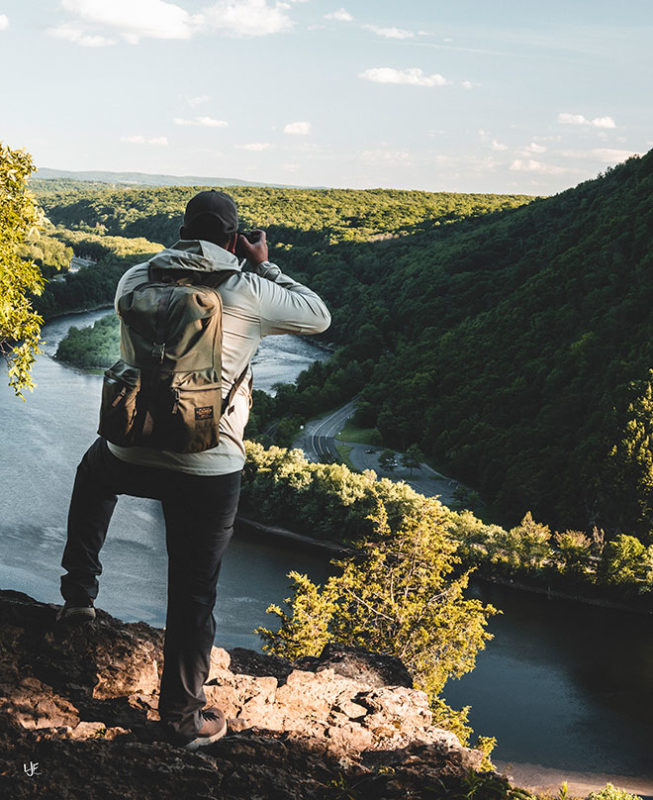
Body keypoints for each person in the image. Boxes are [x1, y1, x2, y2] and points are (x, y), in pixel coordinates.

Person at [57, 190, 331, 749]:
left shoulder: (135, 278)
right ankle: (182, 718)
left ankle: (79, 598)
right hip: (210, 465)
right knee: (193, 591)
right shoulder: (250, 291)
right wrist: (264, 263)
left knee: (94, 471)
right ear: (233, 238)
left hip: (132, 447)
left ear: (183, 230)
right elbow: (320, 317)